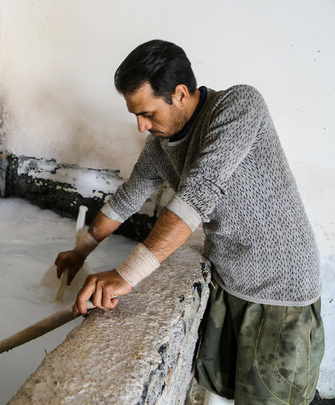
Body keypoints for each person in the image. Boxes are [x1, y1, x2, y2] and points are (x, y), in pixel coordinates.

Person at [54, 40, 324, 404]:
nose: (140, 126)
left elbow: (197, 194)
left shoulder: (238, 106)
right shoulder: (160, 144)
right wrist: (80, 251)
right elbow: (127, 199)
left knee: (274, 397)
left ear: (180, 94)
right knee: (226, 387)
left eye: (147, 113)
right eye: (135, 115)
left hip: (280, 289)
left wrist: (125, 275)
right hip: (230, 280)